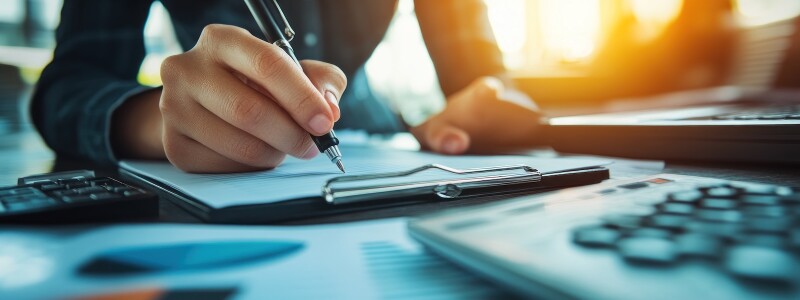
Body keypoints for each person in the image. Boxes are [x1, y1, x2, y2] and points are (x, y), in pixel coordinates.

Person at [32, 0, 543, 173]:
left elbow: (486, 79)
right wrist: (164, 119)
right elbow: (67, 84)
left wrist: (490, 104)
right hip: (213, 163)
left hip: (393, 148)